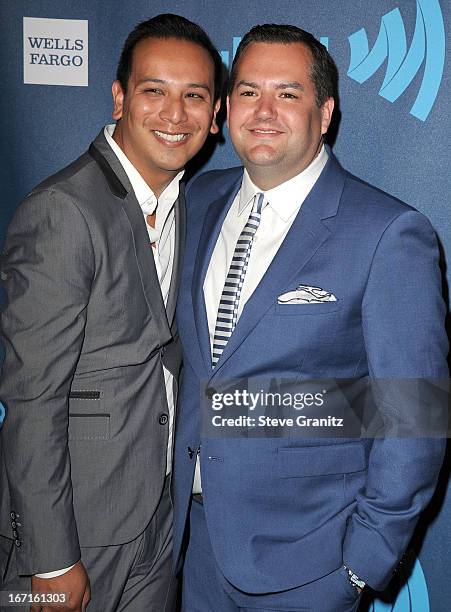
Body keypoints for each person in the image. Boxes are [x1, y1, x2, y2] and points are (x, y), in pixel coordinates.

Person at [171, 24, 448, 612]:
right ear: (226, 107)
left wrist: (358, 568)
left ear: (325, 113)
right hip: (192, 552)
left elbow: (415, 415)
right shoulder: (192, 200)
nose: (264, 111)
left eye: (288, 93)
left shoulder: (388, 234)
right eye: (248, 92)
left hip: (310, 566)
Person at [0, 13, 221, 612]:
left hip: (158, 513)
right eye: (155, 91)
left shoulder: (190, 202)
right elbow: (33, 398)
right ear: (120, 96)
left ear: (215, 111)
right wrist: (51, 559)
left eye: (194, 96)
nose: (175, 115)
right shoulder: (65, 211)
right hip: (78, 525)